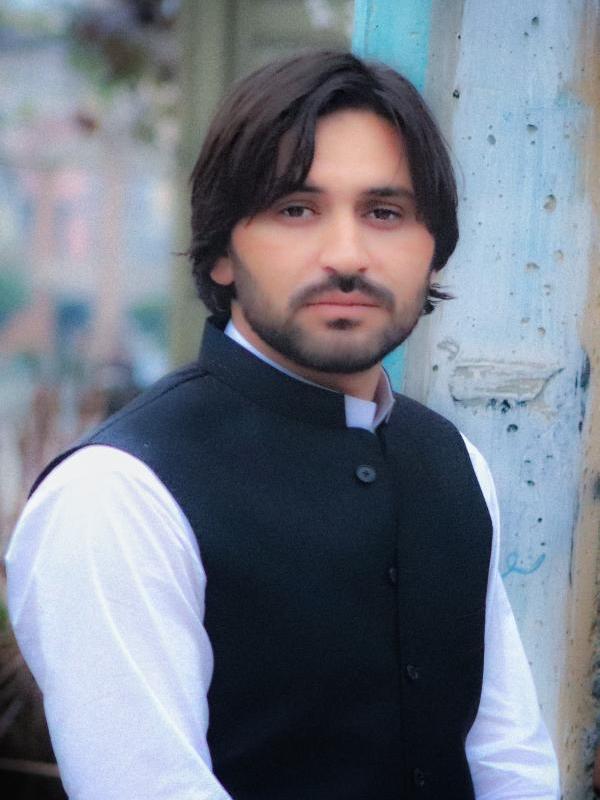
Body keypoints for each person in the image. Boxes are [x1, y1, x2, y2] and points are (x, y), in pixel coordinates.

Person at [6, 51, 560, 799]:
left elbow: (510, 762)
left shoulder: (452, 460)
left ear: (434, 250)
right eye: (296, 209)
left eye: (385, 212)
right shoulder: (119, 494)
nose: (347, 255)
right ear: (222, 252)